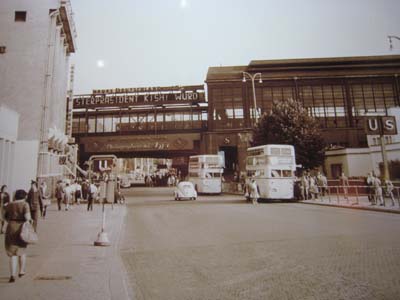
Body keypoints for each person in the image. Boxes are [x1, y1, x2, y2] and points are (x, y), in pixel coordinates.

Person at [4, 189, 31, 283]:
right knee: (22, 251)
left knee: (12, 253)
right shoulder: (25, 204)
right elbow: (28, 218)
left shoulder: (10, 205)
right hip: (21, 228)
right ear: (24, 196)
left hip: (11, 228)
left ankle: (12, 275)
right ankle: (22, 270)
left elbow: (4, 217)